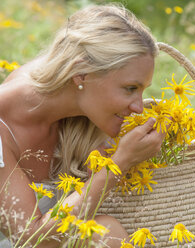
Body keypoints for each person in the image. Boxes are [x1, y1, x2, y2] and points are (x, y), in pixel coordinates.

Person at [0, 4, 166, 247]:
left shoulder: (72, 103)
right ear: (81, 73)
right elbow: (31, 239)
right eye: (130, 88)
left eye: (142, 90)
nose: (138, 107)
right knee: (102, 232)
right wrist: (118, 163)